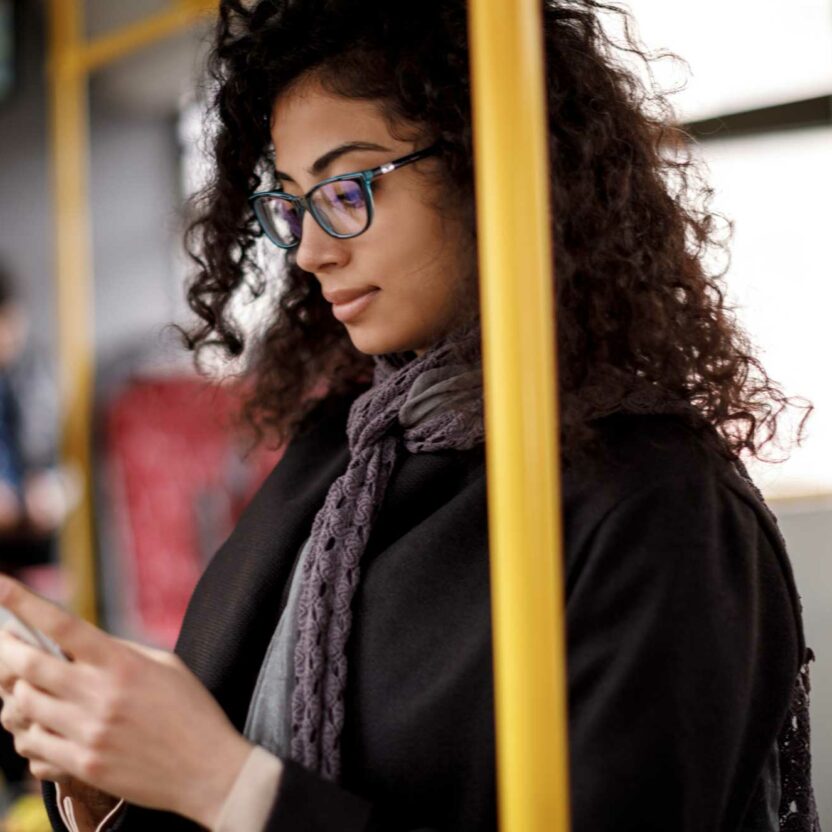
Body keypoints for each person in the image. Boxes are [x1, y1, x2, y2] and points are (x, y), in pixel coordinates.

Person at [0, 0, 821, 830]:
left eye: (347, 188)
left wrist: (220, 783)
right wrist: (115, 784)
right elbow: (221, 747)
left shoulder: (659, 503)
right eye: (292, 203)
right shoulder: (338, 451)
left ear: (492, 169)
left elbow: (230, 776)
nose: (312, 250)